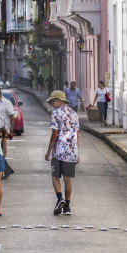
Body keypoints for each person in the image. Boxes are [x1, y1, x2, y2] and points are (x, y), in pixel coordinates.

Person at [45, 87, 79, 216]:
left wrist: (48, 152)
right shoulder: (74, 114)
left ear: (59, 101)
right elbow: (77, 134)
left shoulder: (55, 114)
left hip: (58, 151)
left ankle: (60, 199)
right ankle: (67, 207)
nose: (51, 104)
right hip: (71, 151)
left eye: (52, 102)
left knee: (55, 177)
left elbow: (54, 134)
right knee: (67, 179)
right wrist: (77, 152)